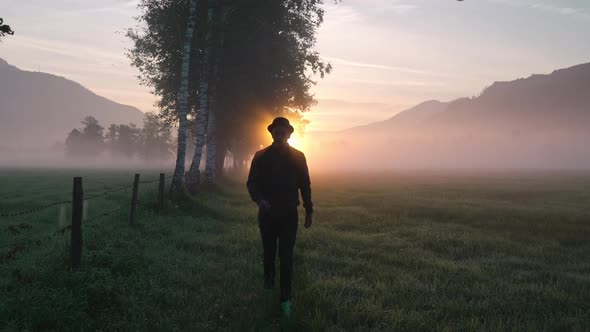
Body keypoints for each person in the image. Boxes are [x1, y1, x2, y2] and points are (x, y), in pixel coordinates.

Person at [247, 117, 314, 318]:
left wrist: (309, 211)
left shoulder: (299, 157)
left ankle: (285, 300)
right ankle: (268, 290)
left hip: (289, 216)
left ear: (289, 133)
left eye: (283, 130)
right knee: (269, 255)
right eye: (276, 130)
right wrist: (260, 200)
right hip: (266, 215)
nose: (280, 133)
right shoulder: (260, 156)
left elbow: (305, 185)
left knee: (286, 257)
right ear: (271, 132)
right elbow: (252, 183)